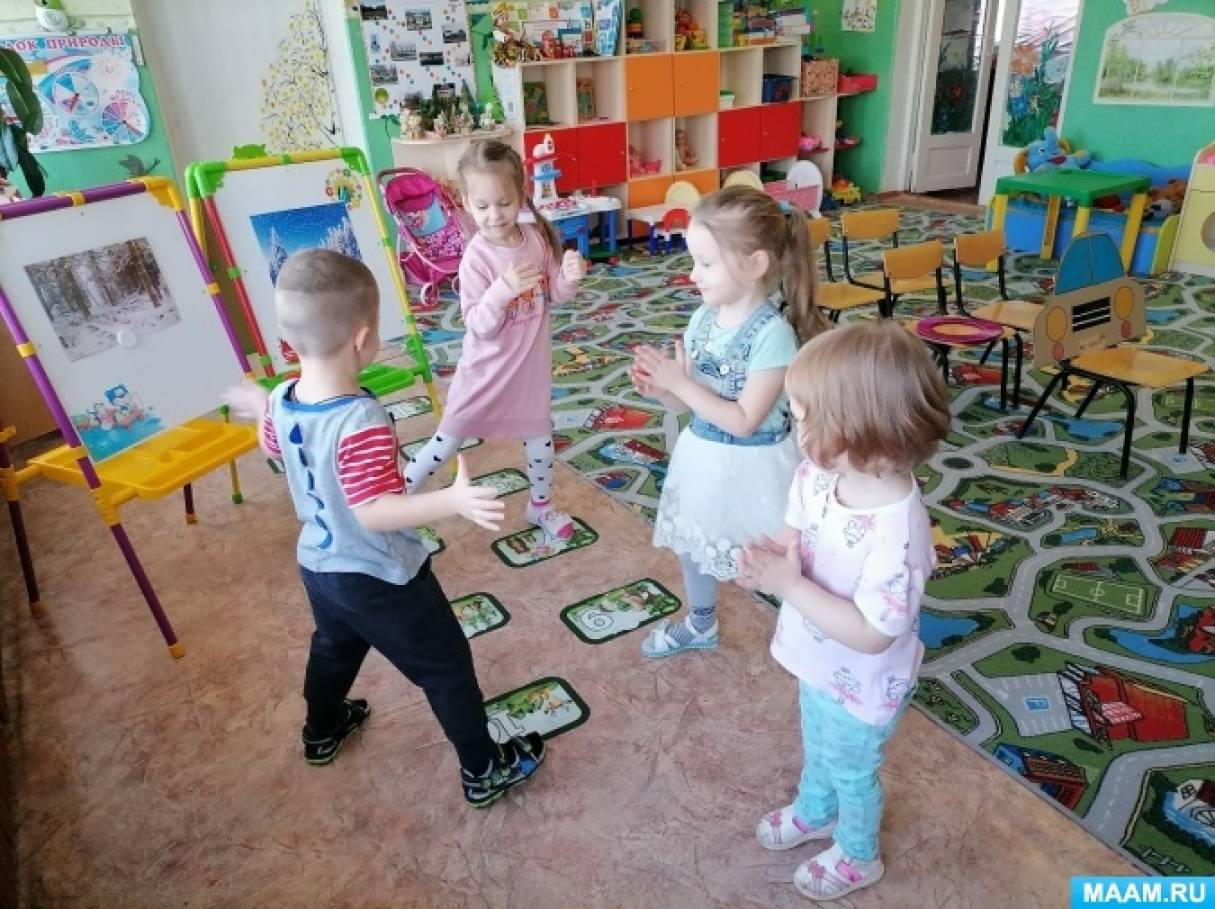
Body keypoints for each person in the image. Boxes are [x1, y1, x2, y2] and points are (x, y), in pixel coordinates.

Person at [224, 249, 546, 808]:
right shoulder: (361, 420)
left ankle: (322, 729)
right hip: (381, 576)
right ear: (363, 339)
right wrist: (452, 500)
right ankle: (484, 768)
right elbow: (373, 510)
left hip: (320, 566)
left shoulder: (283, 398)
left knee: (333, 648)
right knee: (446, 668)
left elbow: (273, 446)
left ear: (289, 342)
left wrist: (259, 405)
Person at [738, 320, 951, 900]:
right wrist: (770, 560)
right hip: (817, 656)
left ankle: (859, 854)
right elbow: (796, 530)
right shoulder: (820, 473)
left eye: (803, 417)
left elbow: (873, 634)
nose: (794, 427)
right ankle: (815, 810)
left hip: (863, 679)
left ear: (858, 429)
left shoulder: (898, 535)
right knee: (818, 742)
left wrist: (788, 586)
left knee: (852, 769)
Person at [629, 186, 827, 657]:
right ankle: (701, 623)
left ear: (754, 264)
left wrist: (680, 384)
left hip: (756, 470)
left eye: (706, 262)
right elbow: (689, 404)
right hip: (703, 461)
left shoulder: (773, 335)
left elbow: (743, 421)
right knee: (695, 546)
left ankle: (814, 632)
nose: (692, 273)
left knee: (777, 556)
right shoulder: (703, 319)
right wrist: (663, 391)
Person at [403, 139, 586, 541]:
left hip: (527, 374)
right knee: (445, 444)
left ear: (521, 194)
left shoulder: (536, 239)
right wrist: (502, 290)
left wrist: (568, 277)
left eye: (503, 203)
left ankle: (540, 506)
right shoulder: (477, 258)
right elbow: (479, 325)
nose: (494, 215)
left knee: (541, 445)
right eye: (482, 206)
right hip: (484, 375)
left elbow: (553, 294)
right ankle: (397, 502)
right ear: (466, 203)